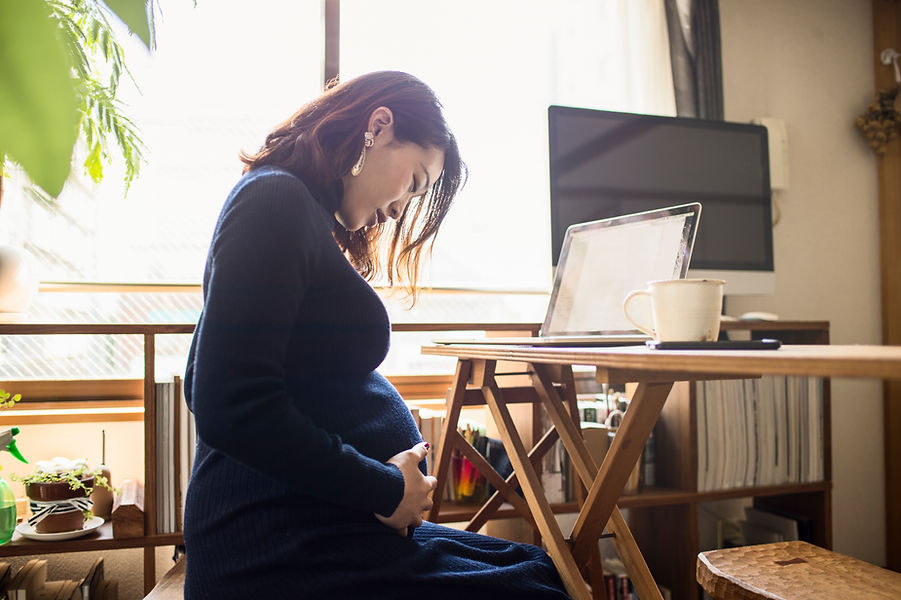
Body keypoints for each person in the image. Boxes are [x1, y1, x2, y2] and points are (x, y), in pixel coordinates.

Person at [183, 71, 570, 599]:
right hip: (276, 548)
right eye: (414, 183)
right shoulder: (273, 202)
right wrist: (383, 487)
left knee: (537, 565)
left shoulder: (300, 212)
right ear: (379, 126)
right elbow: (228, 402)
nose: (400, 211)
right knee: (537, 588)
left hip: (322, 526)